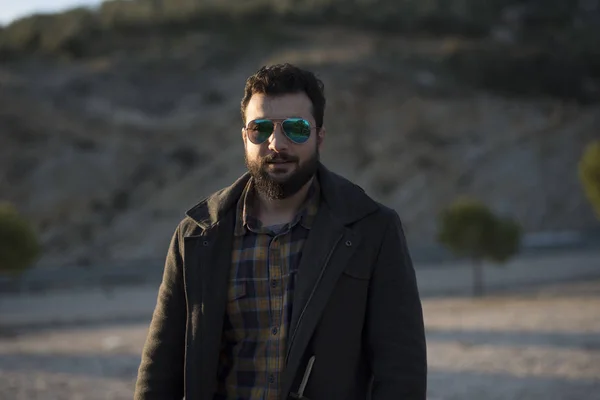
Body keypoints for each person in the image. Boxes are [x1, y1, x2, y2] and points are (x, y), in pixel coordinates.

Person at [134, 63, 427, 400]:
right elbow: (160, 367)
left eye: (296, 128)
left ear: (319, 136)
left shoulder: (371, 229)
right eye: (260, 129)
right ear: (245, 137)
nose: (277, 143)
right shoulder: (198, 236)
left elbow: (401, 369)